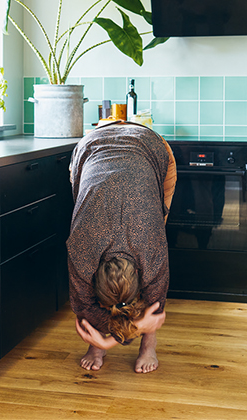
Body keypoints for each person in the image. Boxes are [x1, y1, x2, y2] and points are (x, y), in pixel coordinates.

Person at [66, 121, 176, 373]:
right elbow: (82, 306)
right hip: (92, 147)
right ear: (92, 276)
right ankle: (95, 350)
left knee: (155, 288)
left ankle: (149, 345)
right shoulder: (82, 248)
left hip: (148, 146)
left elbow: (156, 310)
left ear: (139, 273)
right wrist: (102, 340)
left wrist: (113, 338)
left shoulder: (151, 246)